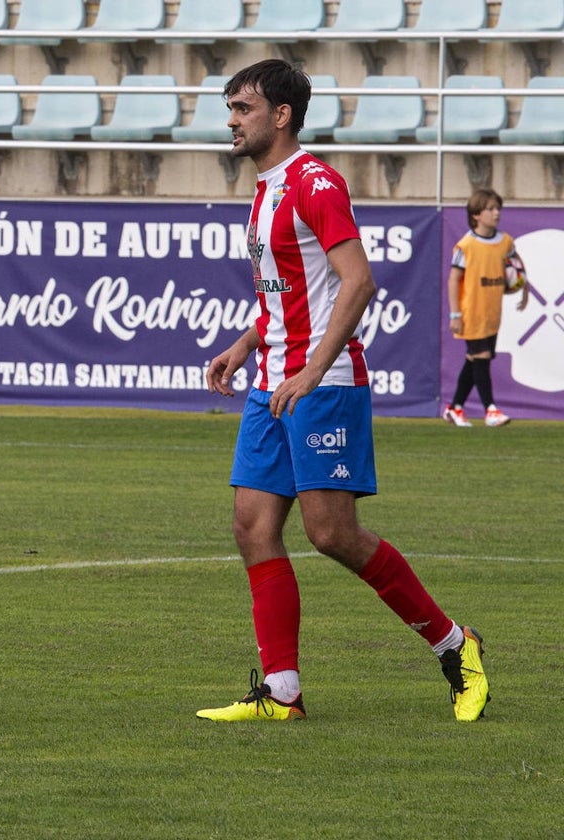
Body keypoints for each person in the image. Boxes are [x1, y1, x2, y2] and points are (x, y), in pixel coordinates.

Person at [199, 59, 489, 722]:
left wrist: (309, 369)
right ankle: (282, 692)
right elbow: (289, 294)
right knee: (253, 526)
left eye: (243, 108)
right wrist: (245, 346)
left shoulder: (315, 183)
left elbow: (357, 283)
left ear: (281, 115)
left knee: (331, 532)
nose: (232, 121)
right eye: (231, 109)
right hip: (274, 380)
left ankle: (456, 645)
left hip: (320, 384)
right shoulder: (266, 188)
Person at [443, 188, 530, 428]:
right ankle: (490, 409)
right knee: (480, 357)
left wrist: (524, 288)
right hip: (472, 312)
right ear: (476, 215)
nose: (496, 213)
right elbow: (453, 279)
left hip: (493, 312)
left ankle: (455, 408)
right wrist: (455, 313)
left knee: (476, 361)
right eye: (490, 209)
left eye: (498, 208)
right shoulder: (467, 245)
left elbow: (516, 266)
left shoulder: (505, 241)